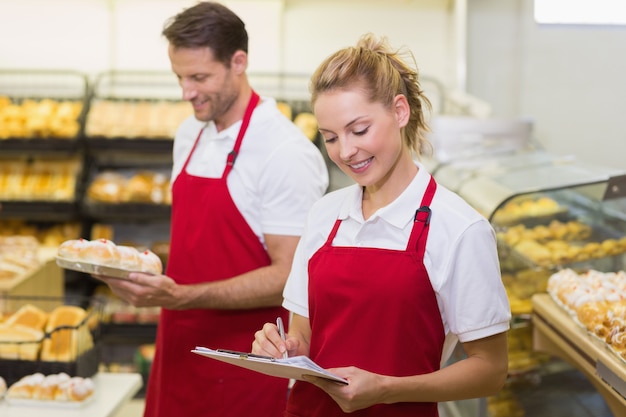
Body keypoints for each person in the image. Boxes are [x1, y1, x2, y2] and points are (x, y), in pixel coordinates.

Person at [252, 33, 511, 416]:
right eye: (330, 138)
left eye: (359, 130)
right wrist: (284, 349)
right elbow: (303, 334)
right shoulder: (325, 215)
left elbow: (490, 370)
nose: (345, 151)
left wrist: (387, 389)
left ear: (400, 111)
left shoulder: (459, 229)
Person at [96, 2, 328, 417]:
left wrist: (181, 296)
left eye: (199, 77)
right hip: (178, 348)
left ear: (238, 62)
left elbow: (289, 277)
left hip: (245, 362)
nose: (186, 92)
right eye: (180, 77)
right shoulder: (189, 133)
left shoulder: (283, 151)